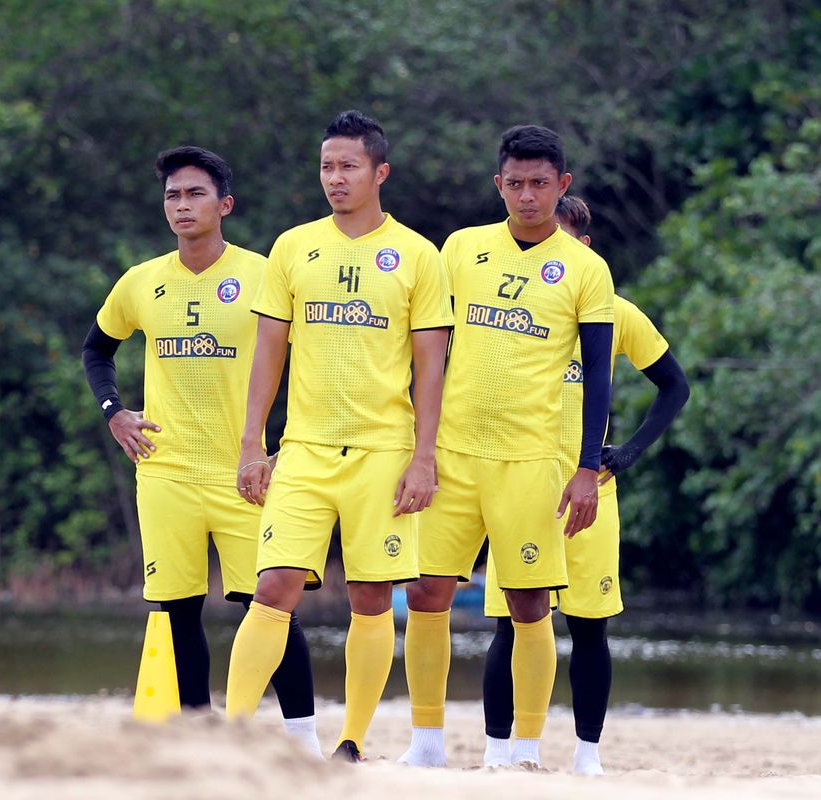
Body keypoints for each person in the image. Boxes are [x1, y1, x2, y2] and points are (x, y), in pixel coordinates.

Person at [223, 110, 453, 762]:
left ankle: (351, 741)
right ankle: (230, 733)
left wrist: (424, 458)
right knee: (273, 586)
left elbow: (431, 363)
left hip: (384, 451)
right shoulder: (294, 247)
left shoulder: (417, 254)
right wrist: (251, 442)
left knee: (372, 593)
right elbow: (269, 350)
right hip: (304, 448)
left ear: (380, 171)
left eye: (349, 166)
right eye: (327, 166)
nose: (336, 178)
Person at [80, 146, 319, 753]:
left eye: (195, 195)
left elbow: (315, 358)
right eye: (172, 196)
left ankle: (303, 745)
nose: (182, 206)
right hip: (165, 473)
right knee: (178, 610)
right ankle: (199, 740)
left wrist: (289, 445)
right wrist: (115, 413)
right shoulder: (142, 281)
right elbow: (96, 350)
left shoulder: (266, 274)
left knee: (268, 606)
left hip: (246, 473)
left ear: (225, 205)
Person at [399, 126, 616, 769]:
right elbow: (428, 348)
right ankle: (426, 743)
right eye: (515, 183)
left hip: (531, 460)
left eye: (540, 184)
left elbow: (600, 375)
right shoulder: (462, 249)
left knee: (528, 604)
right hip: (453, 454)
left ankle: (519, 750)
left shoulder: (585, 269)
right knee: (426, 592)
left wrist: (587, 465)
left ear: (562, 186)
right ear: (499, 185)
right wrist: (420, 447)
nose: (527, 195)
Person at [480, 195, 691, 774]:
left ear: (585, 248)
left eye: (563, 243)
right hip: (518, 480)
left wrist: (626, 453)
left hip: (589, 489)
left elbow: (675, 385)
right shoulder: (507, 303)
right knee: (512, 623)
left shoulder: (616, 312)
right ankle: (501, 751)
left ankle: (587, 755)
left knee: (589, 627)